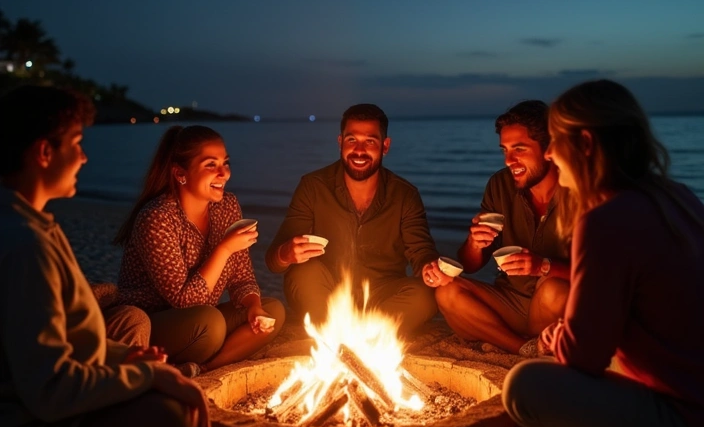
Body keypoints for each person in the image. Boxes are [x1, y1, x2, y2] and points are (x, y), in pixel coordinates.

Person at [0, 85, 210, 427]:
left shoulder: (30, 223)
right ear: (44, 152)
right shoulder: (25, 246)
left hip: (42, 411)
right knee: (172, 418)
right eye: (77, 144)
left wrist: (125, 361)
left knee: (157, 380)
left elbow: (60, 339)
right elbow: (51, 390)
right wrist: (146, 375)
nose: (84, 157)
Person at [503, 80, 704, 427]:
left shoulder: (606, 220)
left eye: (556, 141)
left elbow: (584, 356)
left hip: (688, 421)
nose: (550, 153)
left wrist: (554, 338)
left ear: (586, 144)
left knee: (523, 387)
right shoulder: (677, 196)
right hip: (690, 390)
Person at [115, 125, 285, 375]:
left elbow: (242, 277)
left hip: (204, 318)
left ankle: (203, 368)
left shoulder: (227, 206)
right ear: (180, 173)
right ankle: (184, 361)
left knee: (273, 311)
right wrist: (224, 248)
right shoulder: (157, 218)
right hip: (152, 324)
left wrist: (253, 306)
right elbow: (185, 302)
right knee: (210, 324)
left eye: (225, 163)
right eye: (210, 165)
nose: (224, 173)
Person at [265, 103, 439, 339]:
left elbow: (422, 253)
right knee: (302, 273)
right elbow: (273, 261)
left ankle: (342, 334)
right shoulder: (313, 186)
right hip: (326, 292)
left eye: (370, 141)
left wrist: (430, 268)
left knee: (426, 294)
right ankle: (364, 334)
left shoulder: (404, 195)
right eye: (351, 140)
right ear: (340, 142)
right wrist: (286, 253)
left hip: (382, 295)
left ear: (385, 146)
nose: (359, 150)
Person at [426, 100, 569, 355]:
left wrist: (544, 266)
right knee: (446, 291)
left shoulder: (580, 190)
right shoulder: (500, 185)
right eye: (505, 150)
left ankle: (515, 341)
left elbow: (604, 274)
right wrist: (474, 243)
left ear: (549, 148)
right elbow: (470, 265)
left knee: (553, 289)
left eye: (519, 149)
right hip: (510, 302)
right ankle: (523, 348)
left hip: (556, 306)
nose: (509, 161)